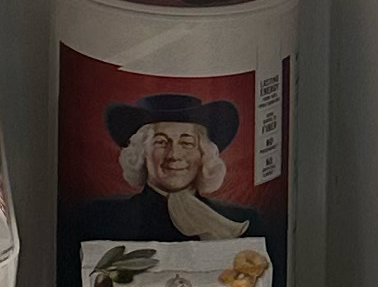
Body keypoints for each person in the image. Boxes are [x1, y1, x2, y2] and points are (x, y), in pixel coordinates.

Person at [75, 94, 266, 245]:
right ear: (141, 153)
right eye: (160, 142)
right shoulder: (100, 218)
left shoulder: (242, 222)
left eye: (186, 142)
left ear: (204, 154)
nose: (174, 154)